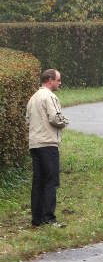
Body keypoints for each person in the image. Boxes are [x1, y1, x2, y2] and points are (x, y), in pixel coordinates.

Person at [26, 69, 70, 227]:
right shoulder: (49, 96)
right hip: (48, 144)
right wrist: (65, 121)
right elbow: (55, 118)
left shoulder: (33, 98)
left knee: (38, 181)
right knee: (51, 181)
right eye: (58, 80)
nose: (60, 83)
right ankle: (49, 218)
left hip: (34, 144)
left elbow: (27, 121)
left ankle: (36, 220)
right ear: (50, 80)